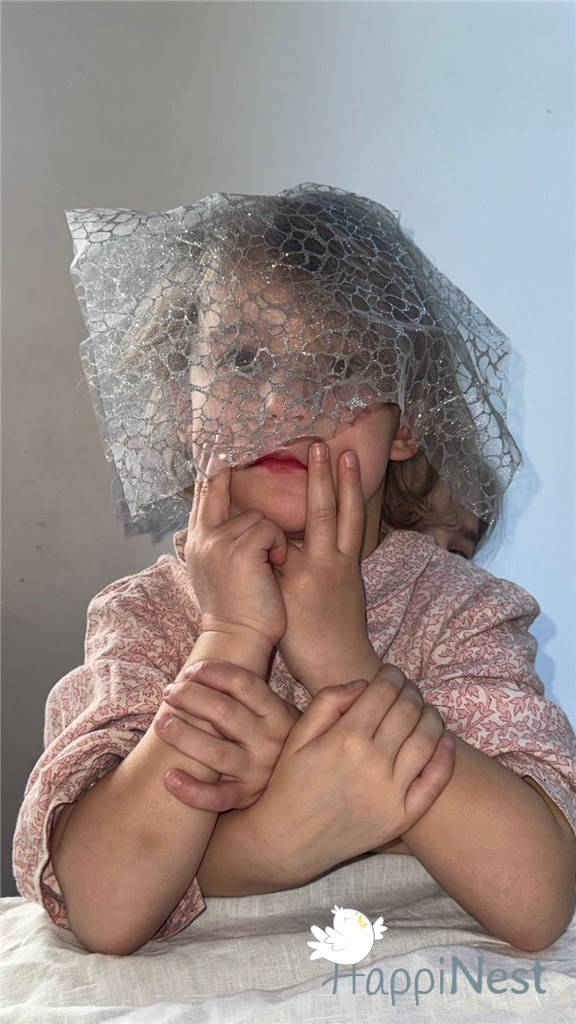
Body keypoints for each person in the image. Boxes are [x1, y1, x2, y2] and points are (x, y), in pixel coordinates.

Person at [13, 186, 576, 957]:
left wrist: (343, 660)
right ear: (183, 406)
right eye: (243, 359)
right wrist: (232, 638)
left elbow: (539, 901)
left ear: (408, 420)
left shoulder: (458, 613)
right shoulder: (149, 618)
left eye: (340, 363)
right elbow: (103, 909)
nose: (286, 400)